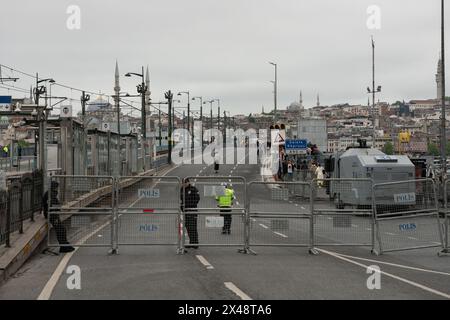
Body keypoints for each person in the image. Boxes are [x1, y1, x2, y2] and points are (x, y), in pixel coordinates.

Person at [43, 181, 75, 253]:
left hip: (52, 214)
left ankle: (65, 245)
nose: (58, 188)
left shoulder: (50, 193)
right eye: (57, 187)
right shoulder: (51, 194)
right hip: (52, 215)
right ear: (55, 187)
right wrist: (56, 215)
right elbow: (52, 206)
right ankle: (64, 246)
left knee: (61, 230)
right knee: (60, 230)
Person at [180, 178, 200, 249]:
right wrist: (182, 206)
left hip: (192, 210)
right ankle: (191, 242)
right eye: (182, 183)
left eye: (185, 183)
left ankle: (195, 243)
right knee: (188, 227)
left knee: (193, 227)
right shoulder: (182, 189)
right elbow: (181, 199)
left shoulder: (193, 189)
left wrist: (188, 205)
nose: (184, 184)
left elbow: (197, 199)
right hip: (185, 211)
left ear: (188, 182)